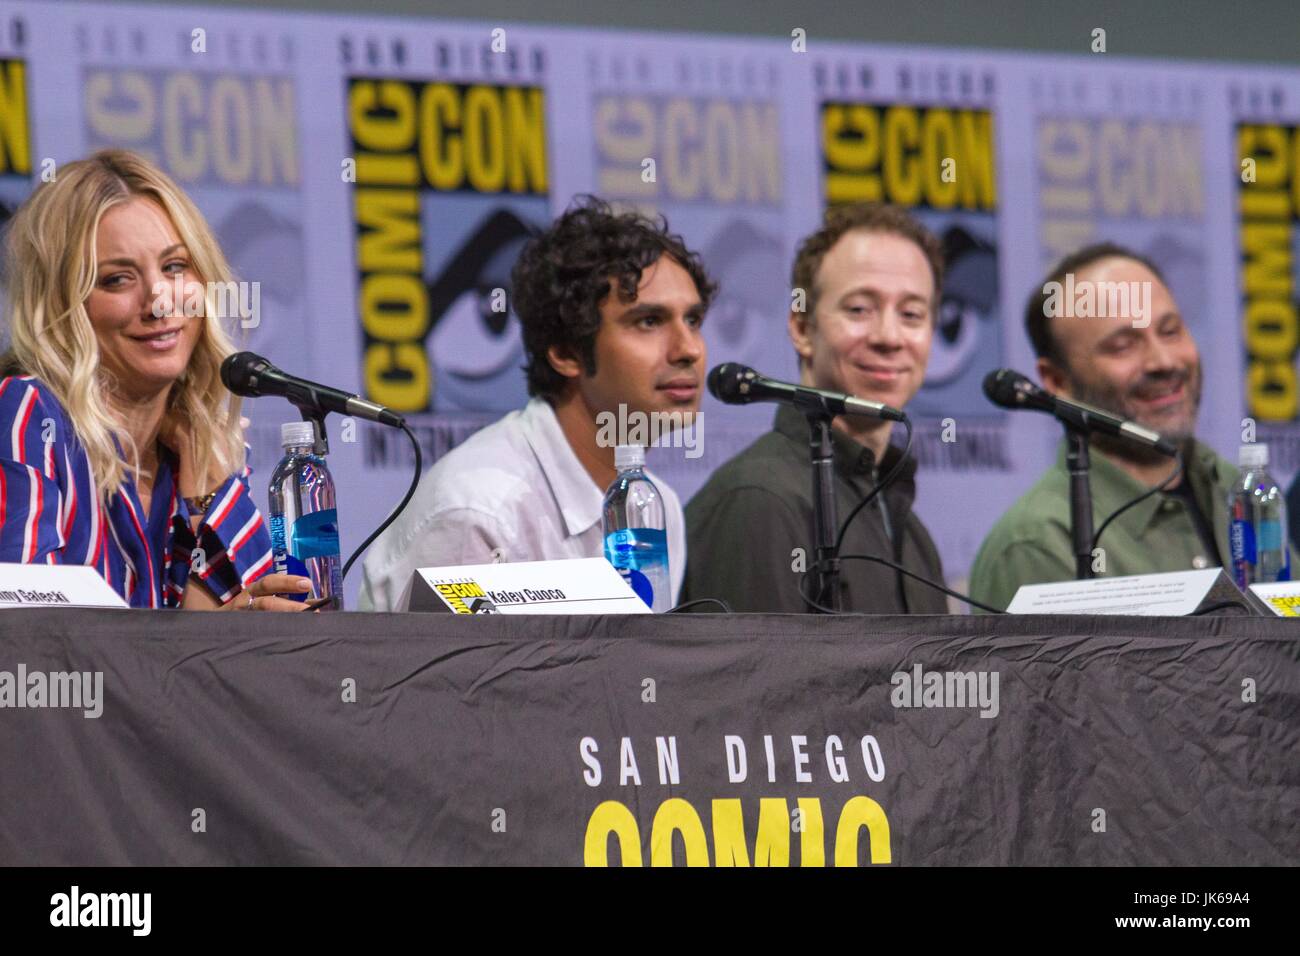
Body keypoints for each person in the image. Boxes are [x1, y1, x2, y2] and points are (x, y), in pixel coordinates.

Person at [359, 196, 713, 612]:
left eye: (692, 320)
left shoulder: (657, 506)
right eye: (648, 322)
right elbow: (434, 678)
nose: (689, 348)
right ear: (565, 351)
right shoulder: (479, 510)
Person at [0, 149, 310, 610]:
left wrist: (209, 492)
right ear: (63, 305)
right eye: (117, 279)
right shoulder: (29, 413)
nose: (161, 302)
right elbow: (30, 634)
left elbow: (218, 659)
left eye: (174, 267)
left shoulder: (209, 445)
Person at [681, 203, 948, 613]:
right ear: (802, 328)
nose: (890, 337)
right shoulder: (758, 500)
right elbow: (756, 677)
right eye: (859, 308)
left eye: (911, 314)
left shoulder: (911, 532)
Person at [969, 242, 1237, 611]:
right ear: (1056, 381)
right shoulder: (1036, 544)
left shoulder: (1239, 490)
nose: (1162, 361)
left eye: (1171, 331)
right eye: (1124, 346)